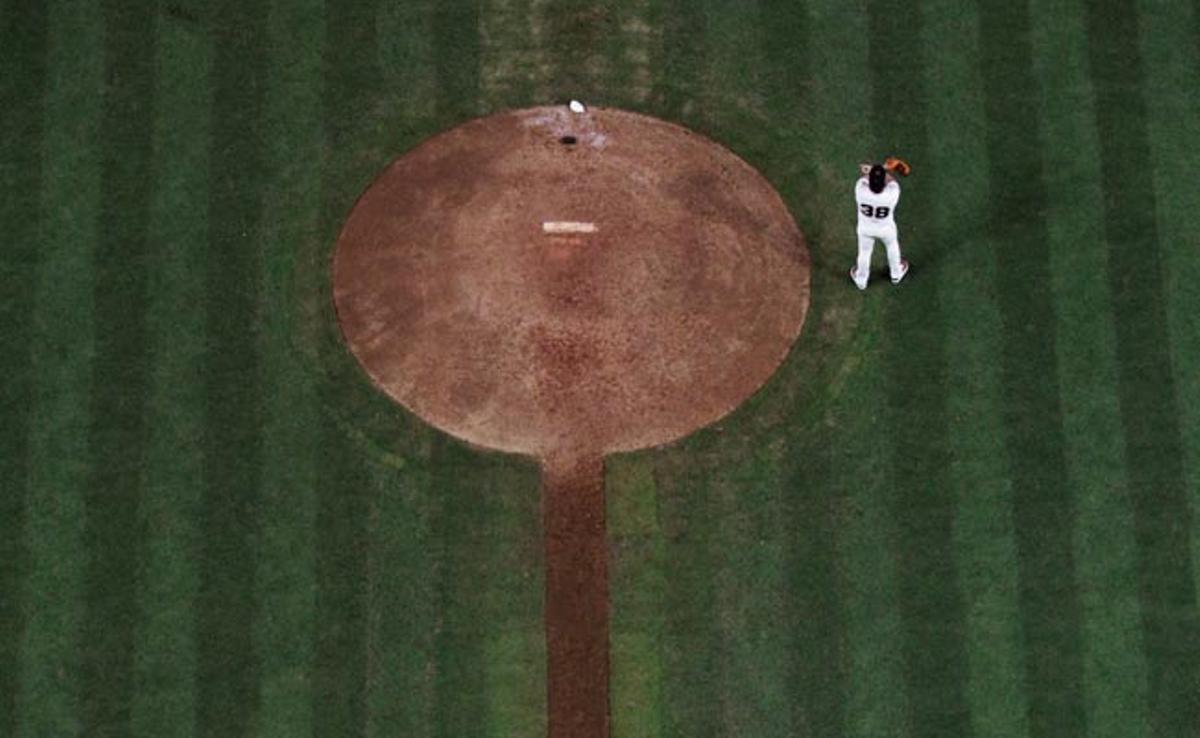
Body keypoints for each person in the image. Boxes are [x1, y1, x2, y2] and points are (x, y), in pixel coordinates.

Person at [850, 162, 908, 289]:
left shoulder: (860, 188)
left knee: (864, 252)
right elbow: (890, 180)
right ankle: (896, 274)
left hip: (865, 228)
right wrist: (885, 169)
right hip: (885, 229)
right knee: (892, 246)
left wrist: (872, 170)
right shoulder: (893, 192)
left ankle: (861, 280)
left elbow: (867, 177)